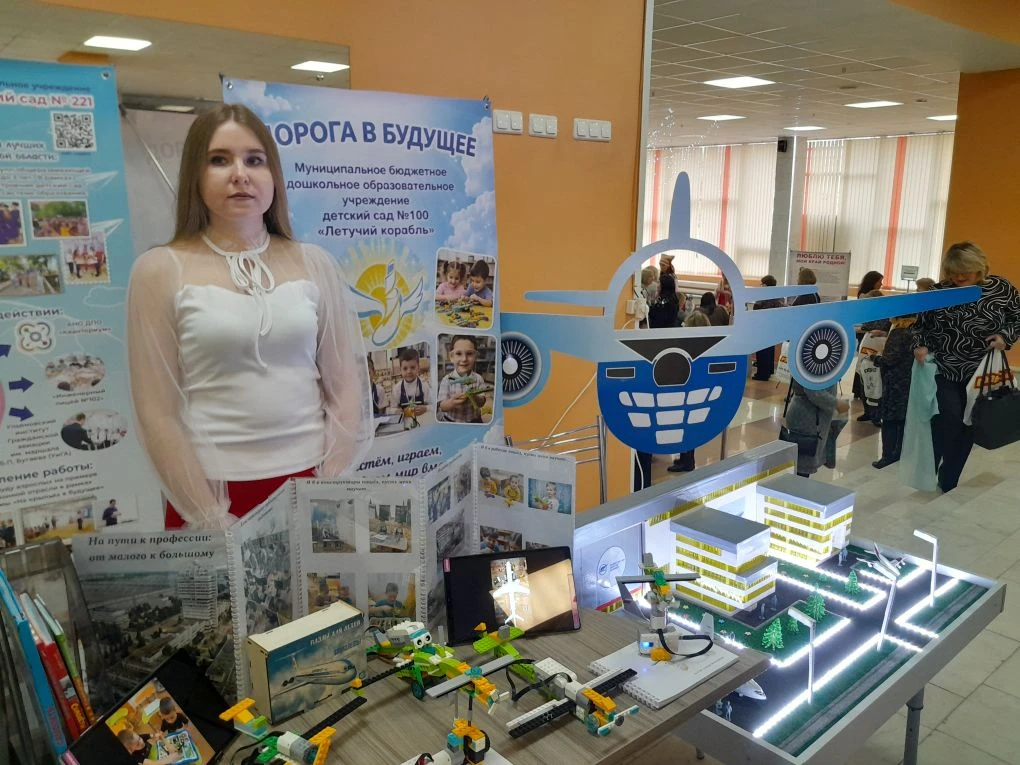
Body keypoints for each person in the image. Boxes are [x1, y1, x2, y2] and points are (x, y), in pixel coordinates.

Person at [126, 104, 373, 530]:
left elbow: (344, 386)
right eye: (219, 160)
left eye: (254, 160)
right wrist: (208, 516)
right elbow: (157, 412)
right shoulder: (160, 270)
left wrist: (330, 481)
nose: (240, 174)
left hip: (311, 481)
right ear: (195, 175)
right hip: (209, 491)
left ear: (273, 174)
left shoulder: (314, 263)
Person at [913, 242, 1020, 492]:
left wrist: (1005, 337)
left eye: (965, 271)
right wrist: (920, 345)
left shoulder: (1000, 288)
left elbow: (1016, 317)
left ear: (979, 267)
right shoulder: (938, 291)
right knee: (948, 418)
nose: (959, 277)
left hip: (982, 371)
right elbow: (921, 326)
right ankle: (929, 466)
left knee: (969, 424)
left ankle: (949, 477)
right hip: (945, 368)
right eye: (953, 272)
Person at [667, 309, 711, 474]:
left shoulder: (688, 348)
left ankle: (687, 460)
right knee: (689, 424)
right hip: (698, 390)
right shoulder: (705, 346)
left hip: (687, 390)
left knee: (685, 424)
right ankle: (686, 457)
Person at [871, 315, 916, 468]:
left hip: (894, 382)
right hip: (909, 380)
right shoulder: (915, 330)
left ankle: (887, 456)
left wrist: (874, 358)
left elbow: (889, 359)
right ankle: (899, 452)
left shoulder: (899, 332)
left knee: (889, 420)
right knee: (902, 419)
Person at [785, 381, 845, 477]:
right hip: (806, 420)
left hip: (811, 418)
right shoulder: (811, 370)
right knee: (802, 467)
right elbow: (814, 392)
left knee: (802, 467)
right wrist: (837, 405)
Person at [437, 335, 488, 423]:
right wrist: (452, 402)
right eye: (458, 354)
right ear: (451, 357)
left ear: (476, 356)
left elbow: (482, 403)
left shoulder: (479, 378)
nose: (464, 359)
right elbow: (442, 406)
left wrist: (475, 397)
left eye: (469, 354)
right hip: (451, 421)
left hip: (474, 421)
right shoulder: (446, 380)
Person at [752, 275, 784, 381]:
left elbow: (756, 310)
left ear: (765, 285)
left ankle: (762, 374)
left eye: (762, 284)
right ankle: (768, 371)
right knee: (770, 349)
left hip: (763, 327)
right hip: (773, 327)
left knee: (762, 351)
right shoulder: (778, 296)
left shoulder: (764, 296)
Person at [389, 347, 430, 418]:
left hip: (422, 421)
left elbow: (433, 406)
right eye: (405, 369)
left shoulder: (425, 386)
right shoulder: (396, 389)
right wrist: (399, 411)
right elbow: (392, 409)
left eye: (413, 367)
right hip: (404, 421)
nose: (409, 371)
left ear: (418, 368)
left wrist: (426, 408)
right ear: (400, 370)